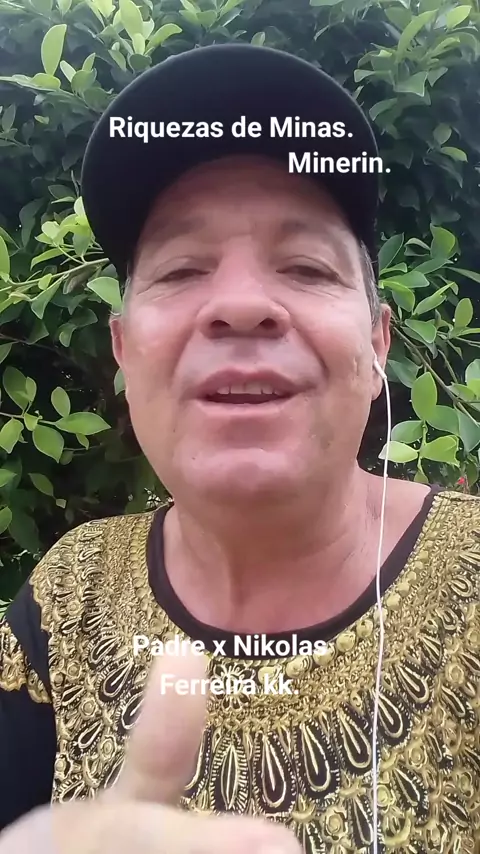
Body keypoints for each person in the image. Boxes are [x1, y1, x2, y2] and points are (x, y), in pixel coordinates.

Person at [0, 44, 478, 854]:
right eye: (183, 269)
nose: (242, 305)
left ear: (376, 345)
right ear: (124, 351)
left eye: (306, 267)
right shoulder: (67, 597)